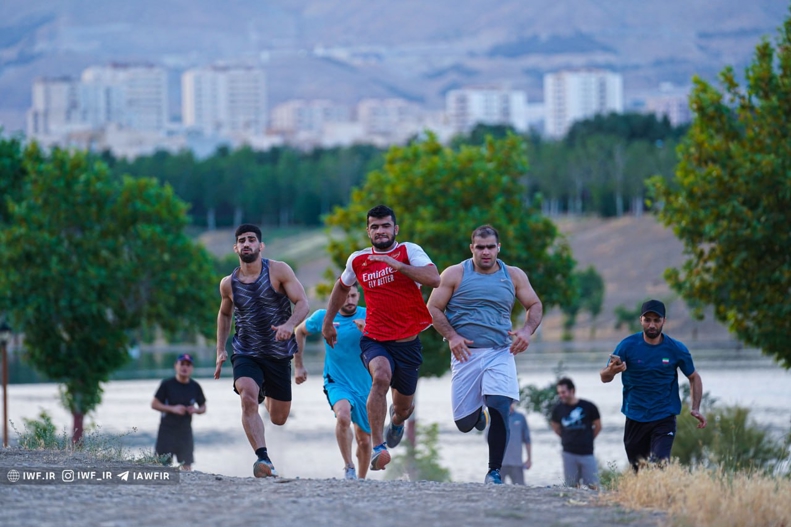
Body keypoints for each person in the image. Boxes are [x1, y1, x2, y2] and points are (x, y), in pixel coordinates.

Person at [321, 205, 440, 472]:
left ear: (395, 229)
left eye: (385, 225)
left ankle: (395, 423)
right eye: (374, 226)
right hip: (375, 338)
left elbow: (434, 279)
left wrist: (397, 265)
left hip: (408, 342)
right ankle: (378, 448)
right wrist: (327, 322)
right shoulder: (358, 259)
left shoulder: (409, 251)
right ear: (368, 231)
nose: (380, 231)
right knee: (381, 377)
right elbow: (341, 287)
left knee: (403, 408)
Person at [427, 224, 543, 484]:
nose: (486, 252)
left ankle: (494, 472)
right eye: (480, 247)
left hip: (500, 352)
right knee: (465, 423)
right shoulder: (455, 274)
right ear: (472, 248)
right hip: (466, 355)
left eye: (491, 246)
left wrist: (526, 331)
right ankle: (477, 414)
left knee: (500, 406)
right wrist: (453, 336)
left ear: (498, 248)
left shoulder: (513, 276)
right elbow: (433, 308)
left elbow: (534, 304)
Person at [215, 224, 309, 478]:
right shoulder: (229, 284)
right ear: (236, 248)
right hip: (246, 351)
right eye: (242, 241)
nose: (247, 244)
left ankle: (263, 392)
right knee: (247, 394)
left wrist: (290, 325)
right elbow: (224, 315)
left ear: (260, 245)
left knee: (278, 418)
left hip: (278, 354)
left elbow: (302, 303)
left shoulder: (278, 270)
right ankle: (262, 458)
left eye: (251, 240)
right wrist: (220, 349)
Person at [601, 299, 707, 471]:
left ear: (664, 321)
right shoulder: (627, 346)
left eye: (656, 320)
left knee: (660, 464)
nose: (652, 325)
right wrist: (613, 371)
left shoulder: (676, 349)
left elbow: (694, 377)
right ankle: (643, 496)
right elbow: (604, 377)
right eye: (648, 320)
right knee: (639, 470)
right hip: (635, 415)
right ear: (641, 320)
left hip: (664, 416)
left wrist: (695, 408)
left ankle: (663, 495)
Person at [294, 287, 372, 480]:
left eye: (353, 295)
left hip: (366, 385)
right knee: (343, 416)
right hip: (337, 381)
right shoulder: (324, 317)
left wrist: (368, 331)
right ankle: (349, 467)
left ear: (358, 296)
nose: (349, 300)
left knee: (364, 440)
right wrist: (299, 366)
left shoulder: (369, 315)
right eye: (344, 296)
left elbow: (388, 342)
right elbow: (299, 331)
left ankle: (361, 480)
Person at [151, 353, 206, 471]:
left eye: (188, 365)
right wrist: (173, 408)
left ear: (192, 368)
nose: (185, 367)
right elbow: (154, 404)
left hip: (185, 432)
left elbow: (203, 407)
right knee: (162, 466)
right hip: (167, 431)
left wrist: (195, 410)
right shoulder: (167, 384)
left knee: (187, 466)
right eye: (182, 364)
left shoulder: (195, 386)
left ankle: (187, 489)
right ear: (176, 366)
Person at [550, 377, 601, 488]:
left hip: (587, 452)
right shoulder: (558, 409)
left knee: (594, 485)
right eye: (559, 393)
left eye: (563, 392)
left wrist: (589, 439)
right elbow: (555, 426)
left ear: (572, 390)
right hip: (568, 453)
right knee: (571, 486)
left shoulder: (589, 407)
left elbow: (598, 426)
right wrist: (565, 437)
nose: (561, 395)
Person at [498, 401, 532, 485]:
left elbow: (527, 440)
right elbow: (489, 438)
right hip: (499, 463)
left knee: (521, 490)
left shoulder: (520, 417)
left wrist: (529, 459)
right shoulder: (496, 417)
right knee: (496, 489)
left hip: (516, 463)